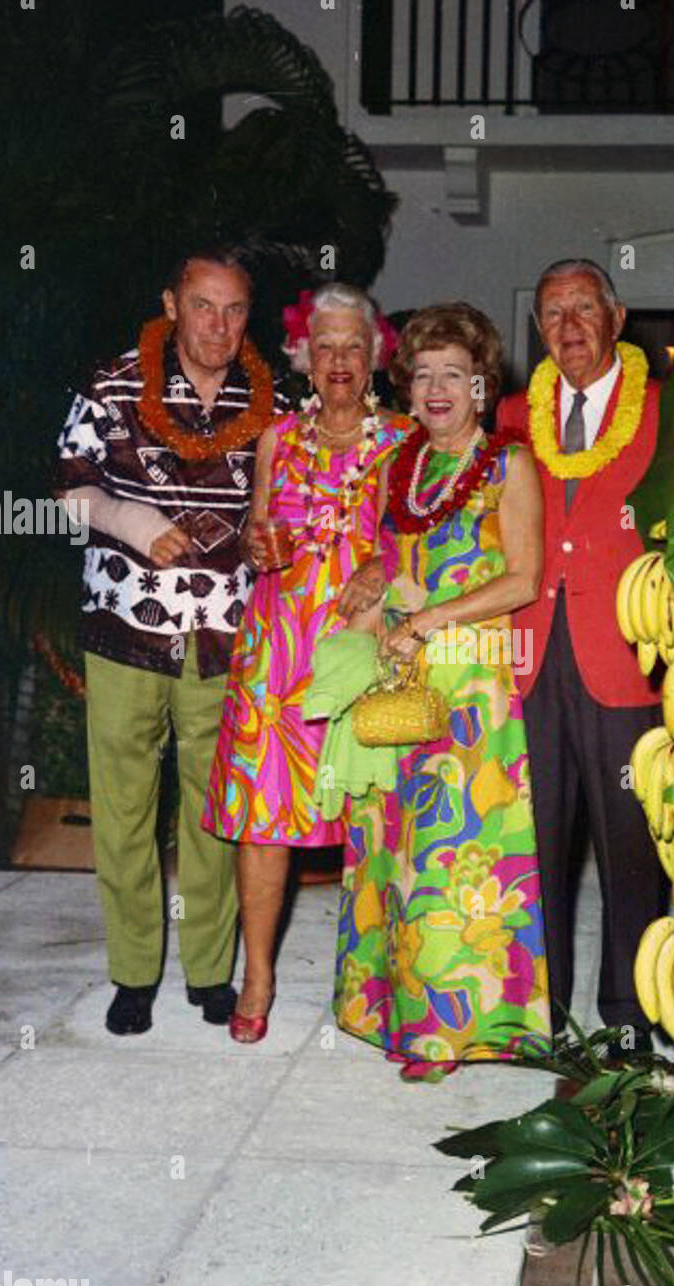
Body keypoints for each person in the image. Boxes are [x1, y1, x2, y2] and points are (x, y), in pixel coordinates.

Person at [54, 246, 272, 1035]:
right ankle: (133, 974)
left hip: (226, 633)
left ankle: (212, 973)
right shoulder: (112, 382)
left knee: (217, 810)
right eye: (204, 305)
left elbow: (291, 499)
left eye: (235, 309)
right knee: (123, 808)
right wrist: (134, 523)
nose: (218, 325)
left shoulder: (271, 395)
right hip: (124, 626)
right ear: (172, 305)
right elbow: (69, 490)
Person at [333, 302, 552, 1082]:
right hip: (401, 673)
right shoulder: (403, 466)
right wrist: (368, 588)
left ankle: (450, 1033)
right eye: (421, 375)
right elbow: (393, 558)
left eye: (452, 375)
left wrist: (431, 617)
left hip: (470, 688)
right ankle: (385, 1010)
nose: (434, 389)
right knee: (392, 849)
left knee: (455, 857)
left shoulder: (507, 466)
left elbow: (523, 578)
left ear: (483, 387)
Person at [202, 284, 410, 1043]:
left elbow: (416, 542)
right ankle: (256, 975)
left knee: (377, 815)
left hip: (358, 649)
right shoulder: (277, 441)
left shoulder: (404, 440)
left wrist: (382, 572)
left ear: (376, 355)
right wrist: (256, 543)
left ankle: (380, 974)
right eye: (324, 347)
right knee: (264, 820)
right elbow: (257, 530)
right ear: (303, 356)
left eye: (353, 346)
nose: (339, 361)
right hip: (276, 648)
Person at [496, 258, 668, 1053]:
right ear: (537, 331)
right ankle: (538, 1007)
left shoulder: (670, 415)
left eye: (582, 308)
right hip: (526, 652)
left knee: (632, 841)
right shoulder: (507, 416)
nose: (567, 326)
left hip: (626, 657)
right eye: (550, 312)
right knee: (532, 841)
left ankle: (630, 1014)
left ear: (616, 315)